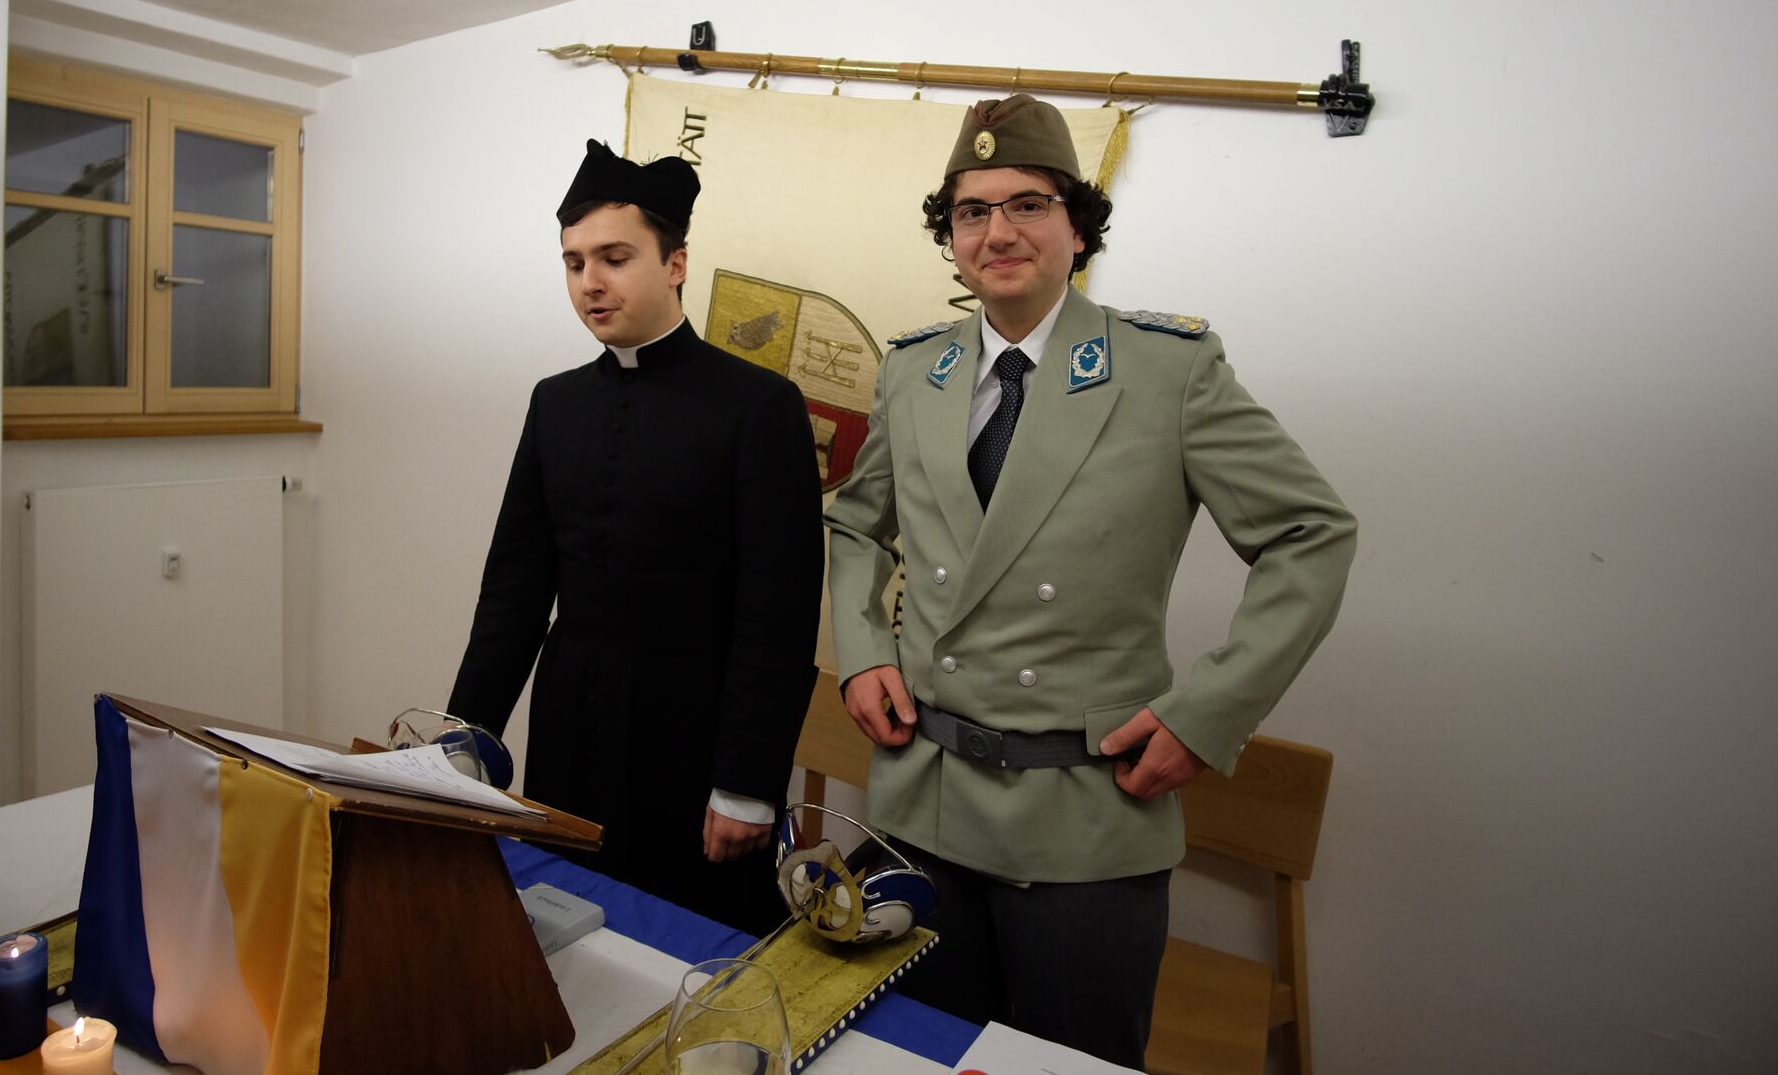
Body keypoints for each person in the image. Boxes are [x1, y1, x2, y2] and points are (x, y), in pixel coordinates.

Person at [824, 94, 1357, 1067]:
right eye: (972, 211)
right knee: (913, 1057)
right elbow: (854, 522)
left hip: (1083, 823)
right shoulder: (914, 371)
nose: (997, 232)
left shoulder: (1165, 373)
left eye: (1027, 204)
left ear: (1078, 224)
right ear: (950, 237)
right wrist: (861, 652)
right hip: (920, 807)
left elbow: (1310, 533)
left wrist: (1207, 713)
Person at [447, 140, 825, 935]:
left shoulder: (759, 405)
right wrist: (466, 737)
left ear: (676, 263)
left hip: (693, 742)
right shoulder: (555, 402)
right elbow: (514, 589)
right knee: (562, 933)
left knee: (689, 951)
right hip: (568, 729)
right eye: (574, 261)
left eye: (614, 258)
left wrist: (748, 782)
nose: (590, 281)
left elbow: (778, 614)